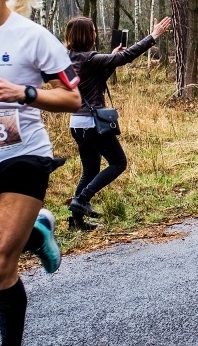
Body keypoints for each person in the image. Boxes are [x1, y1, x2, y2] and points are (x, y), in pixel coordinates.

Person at [0, 0, 81, 346]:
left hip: (22, 157)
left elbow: (72, 98)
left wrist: (22, 93)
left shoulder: (32, 37)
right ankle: (37, 229)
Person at [66, 15, 172, 228]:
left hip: (77, 123)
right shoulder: (90, 58)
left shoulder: (69, 59)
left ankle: (76, 221)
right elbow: (128, 56)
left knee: (90, 170)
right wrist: (153, 36)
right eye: (93, 31)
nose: (95, 34)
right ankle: (82, 199)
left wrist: (111, 59)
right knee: (118, 162)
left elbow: (93, 81)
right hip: (92, 123)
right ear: (88, 35)